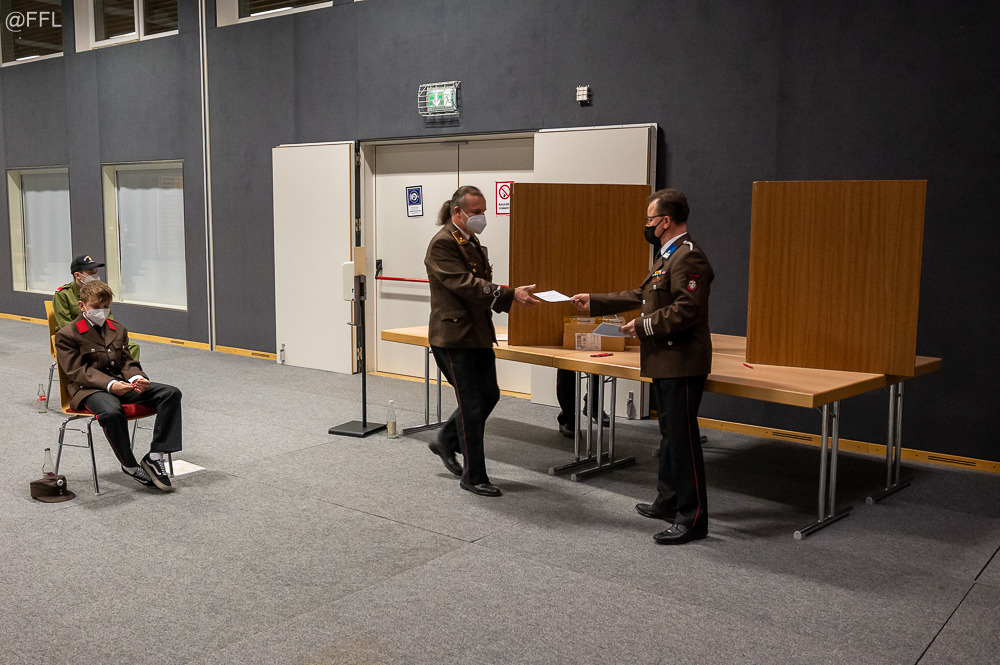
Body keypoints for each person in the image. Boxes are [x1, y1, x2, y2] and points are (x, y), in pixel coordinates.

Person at [571, 188, 714, 545]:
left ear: (666, 221)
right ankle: (668, 500)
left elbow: (687, 309)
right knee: (669, 436)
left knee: (683, 441)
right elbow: (641, 295)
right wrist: (595, 301)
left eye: (650, 220)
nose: (647, 225)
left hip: (681, 361)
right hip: (665, 360)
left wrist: (644, 326)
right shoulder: (669, 256)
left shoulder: (689, 257)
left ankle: (693, 519)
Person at [424, 185, 538, 497]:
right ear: (456, 212)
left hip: (477, 333)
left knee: (489, 395)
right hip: (453, 338)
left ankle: (446, 440)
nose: (482, 217)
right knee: (472, 406)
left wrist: (505, 294)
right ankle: (473, 477)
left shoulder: (471, 241)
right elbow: (466, 284)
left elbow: (478, 284)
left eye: (483, 211)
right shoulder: (443, 243)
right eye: (476, 212)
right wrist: (510, 293)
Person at [54, 280, 182, 491]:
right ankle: (130, 465)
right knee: (112, 411)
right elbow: (77, 371)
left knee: (170, 393)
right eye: (96, 307)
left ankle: (155, 455)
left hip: (121, 383)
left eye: (106, 306)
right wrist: (111, 385)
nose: (101, 311)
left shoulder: (117, 329)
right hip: (88, 389)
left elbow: (127, 362)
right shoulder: (67, 334)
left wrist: (136, 378)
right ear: (82, 306)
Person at [54, 255, 140, 361]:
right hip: (77, 335)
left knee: (132, 346)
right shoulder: (63, 294)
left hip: (101, 331)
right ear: (77, 275)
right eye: (90, 273)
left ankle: (125, 371)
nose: (95, 276)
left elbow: (108, 317)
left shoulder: (99, 291)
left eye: (95, 272)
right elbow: (65, 324)